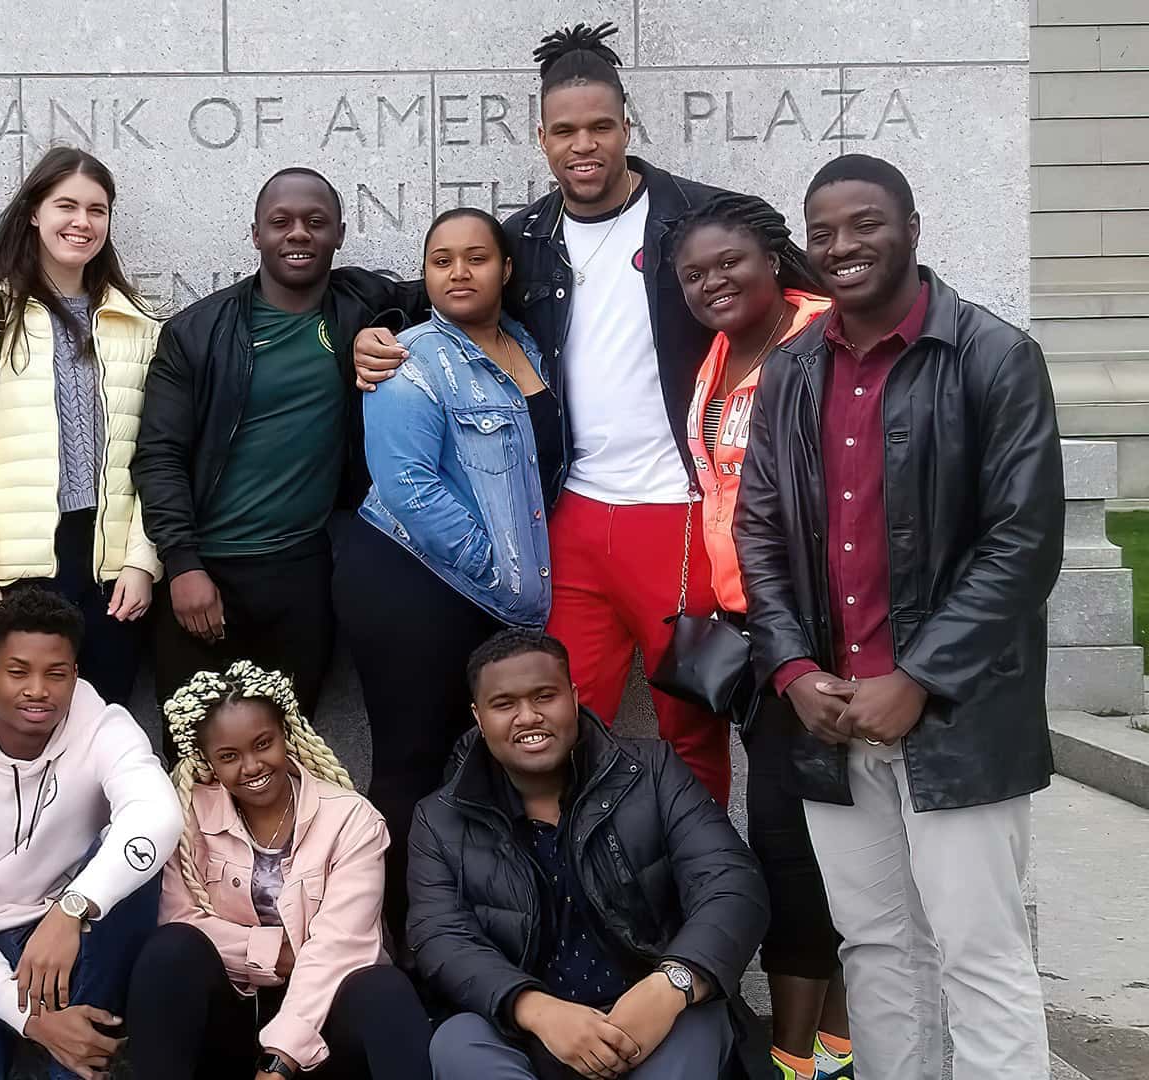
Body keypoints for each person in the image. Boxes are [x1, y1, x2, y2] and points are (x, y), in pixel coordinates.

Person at [736, 154, 1064, 1080]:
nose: (842, 246)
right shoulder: (794, 369)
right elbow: (759, 533)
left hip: (958, 719)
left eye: (865, 224)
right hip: (832, 722)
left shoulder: (995, 358)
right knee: (876, 949)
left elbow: (1022, 545)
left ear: (912, 229)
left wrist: (918, 678)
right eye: (824, 230)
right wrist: (794, 672)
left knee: (980, 954)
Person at [353, 22, 735, 803]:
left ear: (628, 126)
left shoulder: (702, 219)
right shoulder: (527, 236)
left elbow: (795, 308)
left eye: (600, 127)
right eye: (564, 130)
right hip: (570, 521)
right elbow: (444, 292)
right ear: (541, 138)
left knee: (691, 724)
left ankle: (697, 900)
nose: (583, 145)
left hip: (683, 516)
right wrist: (367, 334)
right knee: (558, 724)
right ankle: (575, 902)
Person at [339, 206, 560, 946]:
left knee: (477, 764)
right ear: (424, 272)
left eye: (476, 258)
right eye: (441, 260)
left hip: (492, 593)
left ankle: (478, 938)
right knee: (412, 760)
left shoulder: (526, 343)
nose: (459, 272)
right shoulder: (411, 357)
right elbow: (408, 486)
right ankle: (399, 946)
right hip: (412, 579)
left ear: (505, 269)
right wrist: (499, 569)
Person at [410, 630, 771, 1080]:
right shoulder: (439, 818)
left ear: (575, 698)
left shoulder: (652, 772)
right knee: (458, 1043)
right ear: (478, 718)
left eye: (545, 696)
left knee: (699, 1022)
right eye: (504, 705)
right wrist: (535, 1009)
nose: (528, 716)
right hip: (528, 1030)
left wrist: (672, 984)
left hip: (654, 1012)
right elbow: (439, 935)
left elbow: (732, 882)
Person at [671, 193, 849, 1080]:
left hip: (820, 630)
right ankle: (829, 1045)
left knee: (793, 838)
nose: (713, 282)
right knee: (802, 836)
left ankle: (799, 1053)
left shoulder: (819, 338)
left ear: (774, 257)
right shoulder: (719, 351)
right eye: (694, 274)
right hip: (754, 629)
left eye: (729, 263)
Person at [135, 167, 403, 715]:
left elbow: (456, 287)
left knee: (293, 749)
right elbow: (159, 454)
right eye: (281, 222)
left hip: (302, 573)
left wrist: (390, 325)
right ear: (256, 235)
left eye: (315, 222)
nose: (298, 233)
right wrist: (183, 564)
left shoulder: (360, 305)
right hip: (206, 574)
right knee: (193, 758)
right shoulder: (195, 333)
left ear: (340, 234)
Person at [0, 588, 183, 1080]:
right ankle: (50, 1043)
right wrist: (33, 1020)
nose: (38, 689)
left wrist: (72, 908)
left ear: (75, 675)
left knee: (129, 861)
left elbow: (157, 815)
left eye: (56, 674)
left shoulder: (104, 729)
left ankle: (69, 1058)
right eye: (18, 672)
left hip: (76, 943)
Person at [0, 146, 161, 706]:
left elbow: (157, 451)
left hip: (108, 567)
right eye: (66, 206)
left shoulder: (137, 322)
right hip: (16, 565)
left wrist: (142, 561)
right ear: (34, 211)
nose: (82, 223)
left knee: (103, 725)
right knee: (19, 726)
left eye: (97, 210)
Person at [126, 661, 432, 1080]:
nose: (251, 766)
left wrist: (280, 1058)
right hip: (236, 1008)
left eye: (263, 743)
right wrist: (276, 953)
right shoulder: (188, 817)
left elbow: (342, 945)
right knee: (170, 951)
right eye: (229, 756)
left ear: (286, 735)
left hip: (325, 1017)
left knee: (386, 991)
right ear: (209, 761)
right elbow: (182, 919)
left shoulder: (351, 819)